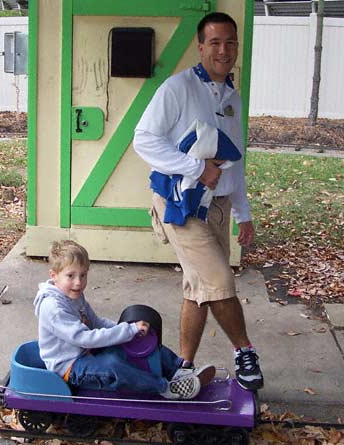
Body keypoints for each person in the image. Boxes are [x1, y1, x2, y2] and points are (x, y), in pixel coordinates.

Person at [133, 12, 264, 391]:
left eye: (231, 42)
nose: (224, 50)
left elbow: (233, 160)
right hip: (180, 204)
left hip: (218, 207)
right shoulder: (178, 88)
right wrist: (195, 167)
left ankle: (184, 366)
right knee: (220, 280)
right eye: (216, 43)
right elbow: (144, 139)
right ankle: (245, 350)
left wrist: (243, 213)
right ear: (201, 47)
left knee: (200, 289)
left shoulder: (233, 97)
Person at [33, 240, 216, 400]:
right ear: (54, 275)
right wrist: (126, 332)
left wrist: (126, 330)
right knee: (113, 365)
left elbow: (95, 322)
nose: (78, 282)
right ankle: (166, 388)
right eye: (70, 276)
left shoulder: (73, 294)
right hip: (70, 367)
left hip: (87, 352)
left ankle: (179, 370)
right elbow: (82, 338)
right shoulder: (53, 308)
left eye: (83, 275)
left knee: (141, 342)